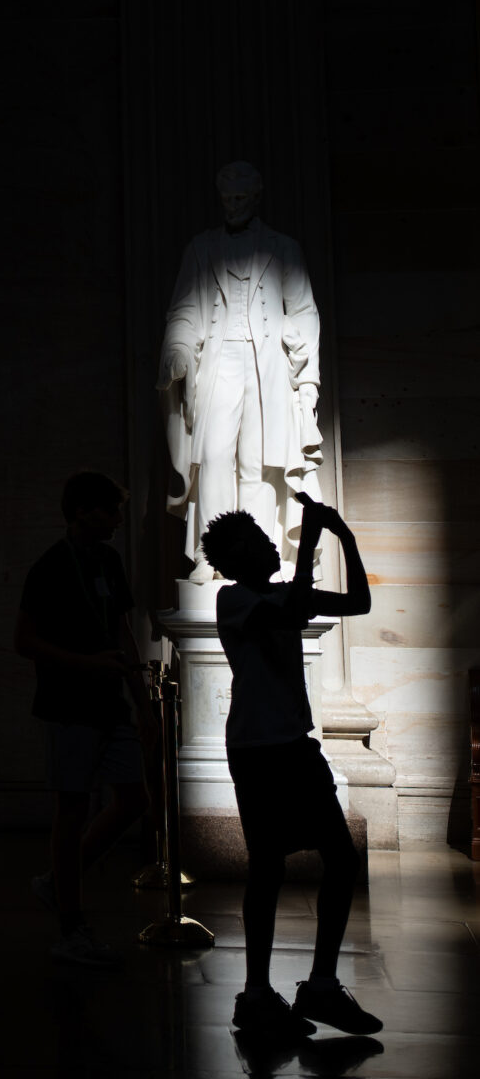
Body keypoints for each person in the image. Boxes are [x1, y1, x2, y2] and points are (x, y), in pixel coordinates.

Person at [202, 498, 381, 1040]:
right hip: (258, 748)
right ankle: (257, 993)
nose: (265, 544)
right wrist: (311, 541)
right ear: (235, 562)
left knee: (341, 859)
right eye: (253, 542)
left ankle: (321, 986)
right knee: (267, 867)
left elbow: (359, 602)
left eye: (263, 536)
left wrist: (344, 536)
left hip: (293, 745)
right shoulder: (234, 599)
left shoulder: (278, 593)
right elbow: (292, 609)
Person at [157, 161, 324, 583]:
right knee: (213, 456)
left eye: (239, 198)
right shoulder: (201, 248)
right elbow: (183, 310)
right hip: (217, 362)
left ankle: (255, 554)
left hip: (267, 365)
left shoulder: (284, 248)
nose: (232, 206)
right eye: (226, 199)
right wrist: (178, 347)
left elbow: (303, 312)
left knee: (258, 462)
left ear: (255, 198)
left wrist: (306, 377)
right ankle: (213, 556)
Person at [15, 472, 150, 968]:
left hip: (110, 701)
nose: (117, 519)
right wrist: (87, 663)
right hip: (68, 703)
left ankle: (57, 881)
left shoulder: (110, 561)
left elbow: (122, 630)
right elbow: (24, 641)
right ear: (82, 512)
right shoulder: (50, 566)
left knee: (133, 798)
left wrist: (141, 700)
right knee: (72, 807)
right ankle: (70, 926)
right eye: (110, 510)